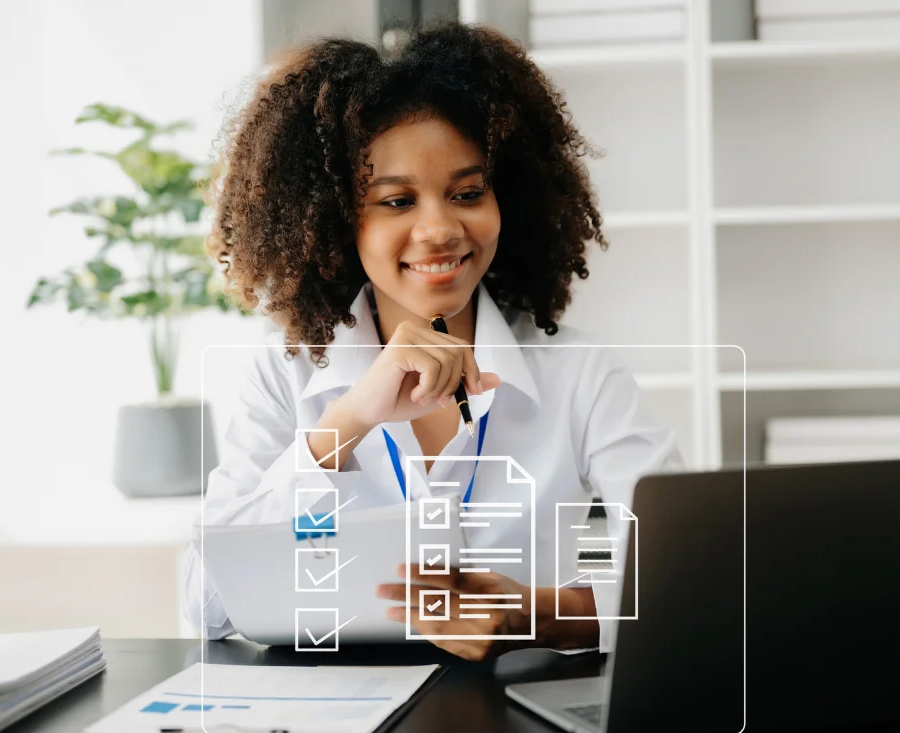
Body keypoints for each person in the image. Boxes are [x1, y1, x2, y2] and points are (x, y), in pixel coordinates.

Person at [186, 21, 683, 660]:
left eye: (467, 193)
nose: (440, 229)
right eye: (396, 202)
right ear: (338, 222)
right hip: (335, 729)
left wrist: (534, 611)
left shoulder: (577, 372)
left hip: (524, 724)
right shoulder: (285, 374)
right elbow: (207, 605)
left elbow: (688, 575)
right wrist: (348, 421)